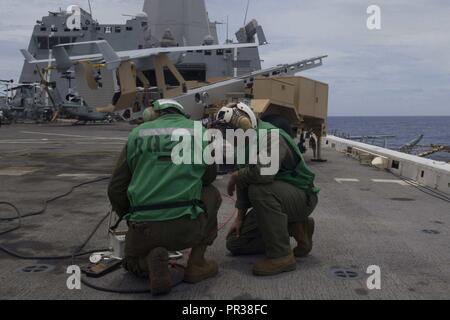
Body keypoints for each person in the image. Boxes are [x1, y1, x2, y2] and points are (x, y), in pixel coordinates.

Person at [108, 99, 222, 295]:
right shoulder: (199, 132)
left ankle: (146, 263)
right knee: (212, 193)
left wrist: (130, 217)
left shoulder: (138, 133)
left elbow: (115, 188)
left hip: (144, 230)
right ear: (181, 113)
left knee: (130, 262)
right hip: (187, 228)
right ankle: (196, 263)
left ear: (153, 114)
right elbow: (209, 177)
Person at [217, 103, 319, 276]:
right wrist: (239, 219)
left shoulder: (272, 136)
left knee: (259, 190)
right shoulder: (243, 145)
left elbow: (264, 174)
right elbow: (243, 184)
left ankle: (282, 256)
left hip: (301, 197)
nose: (230, 137)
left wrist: (236, 176)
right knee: (235, 244)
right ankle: (295, 226)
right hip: (276, 199)